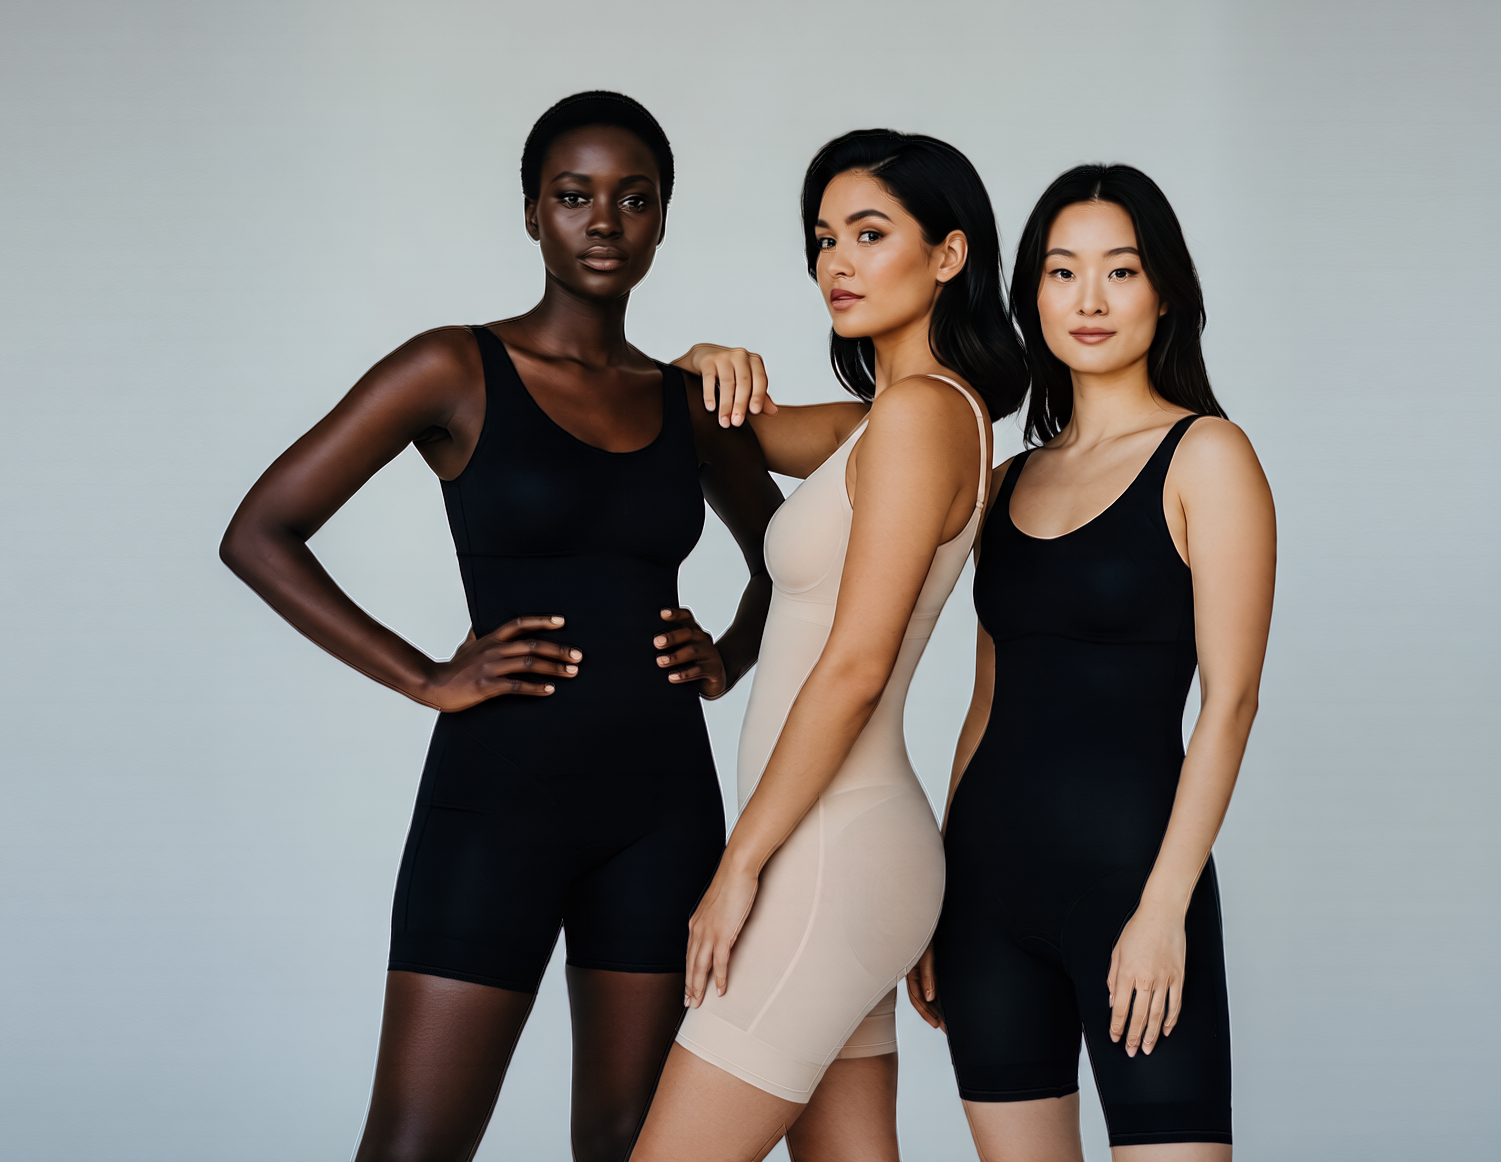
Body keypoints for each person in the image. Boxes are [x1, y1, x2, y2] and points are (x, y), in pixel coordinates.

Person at [219, 91, 784, 1162]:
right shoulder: (454, 368)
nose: (604, 221)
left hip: (661, 810)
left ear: (664, 220)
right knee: (418, 1139)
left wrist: (734, 651)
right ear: (532, 213)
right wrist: (423, 673)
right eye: (574, 196)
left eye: (634, 198)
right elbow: (261, 531)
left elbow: (789, 555)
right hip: (498, 803)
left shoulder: (685, 402)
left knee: (630, 1140)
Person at [629, 130, 1027, 1162]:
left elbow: (852, 669)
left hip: (820, 854)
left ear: (948, 255)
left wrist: (737, 867)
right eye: (821, 239)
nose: (836, 263)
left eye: (869, 232)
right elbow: (686, 415)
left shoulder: (920, 420)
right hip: (847, 851)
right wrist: (696, 359)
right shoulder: (886, 420)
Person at [911, 164, 1275, 1161]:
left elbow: (1231, 702)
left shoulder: (1208, 455)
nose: (1089, 298)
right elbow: (983, 703)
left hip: (1135, 888)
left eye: (1120, 271)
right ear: (1031, 292)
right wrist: (938, 894)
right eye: (1062, 271)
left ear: (1163, 292)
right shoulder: (1004, 478)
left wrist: (1163, 910)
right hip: (986, 899)